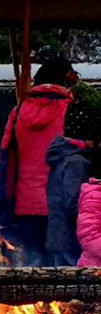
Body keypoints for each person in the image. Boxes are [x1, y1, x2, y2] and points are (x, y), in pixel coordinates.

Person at [0, 58, 77, 266]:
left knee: (31, 268)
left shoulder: (17, 113)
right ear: (66, 80)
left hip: (23, 203)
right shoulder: (72, 111)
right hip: (60, 203)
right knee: (61, 273)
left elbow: (4, 156)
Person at [45, 106, 101, 267]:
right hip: (70, 237)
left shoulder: (63, 156)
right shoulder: (77, 162)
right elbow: (75, 202)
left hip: (59, 233)